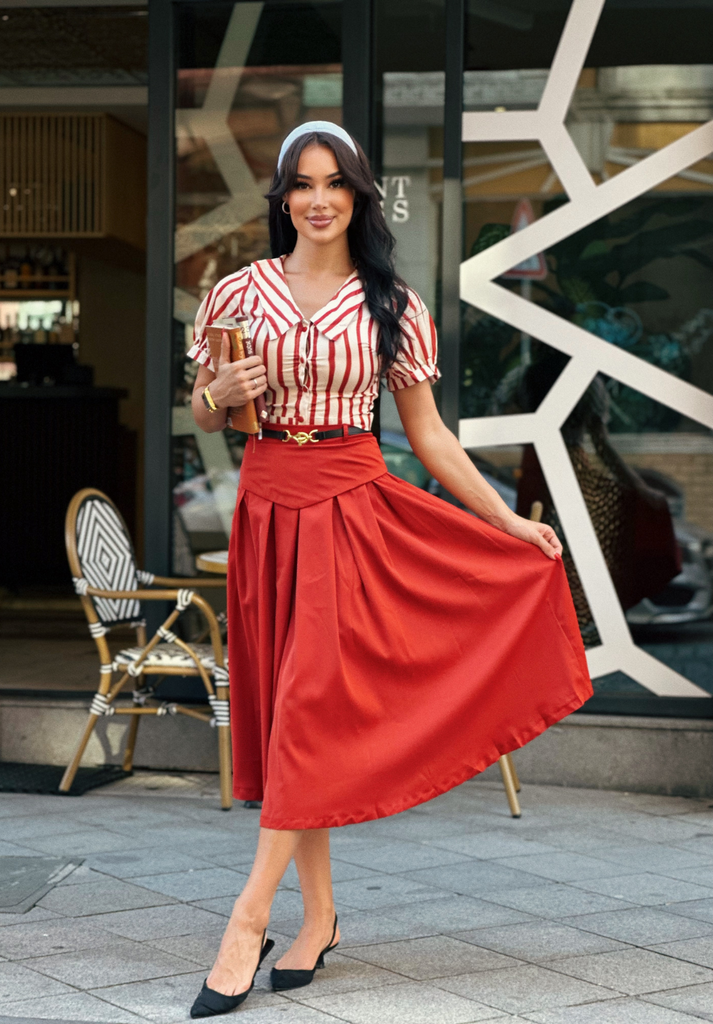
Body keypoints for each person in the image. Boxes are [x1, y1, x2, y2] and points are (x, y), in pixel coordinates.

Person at [187, 121, 591, 1017]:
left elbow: (431, 439)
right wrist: (219, 397)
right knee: (301, 717)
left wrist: (508, 522)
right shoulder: (236, 295)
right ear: (283, 198)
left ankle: (247, 921)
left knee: (305, 710)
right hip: (264, 511)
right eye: (302, 184)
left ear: (358, 197)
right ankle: (320, 916)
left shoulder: (393, 304)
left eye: (335, 184)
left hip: (352, 511)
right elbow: (209, 413)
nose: (318, 199)